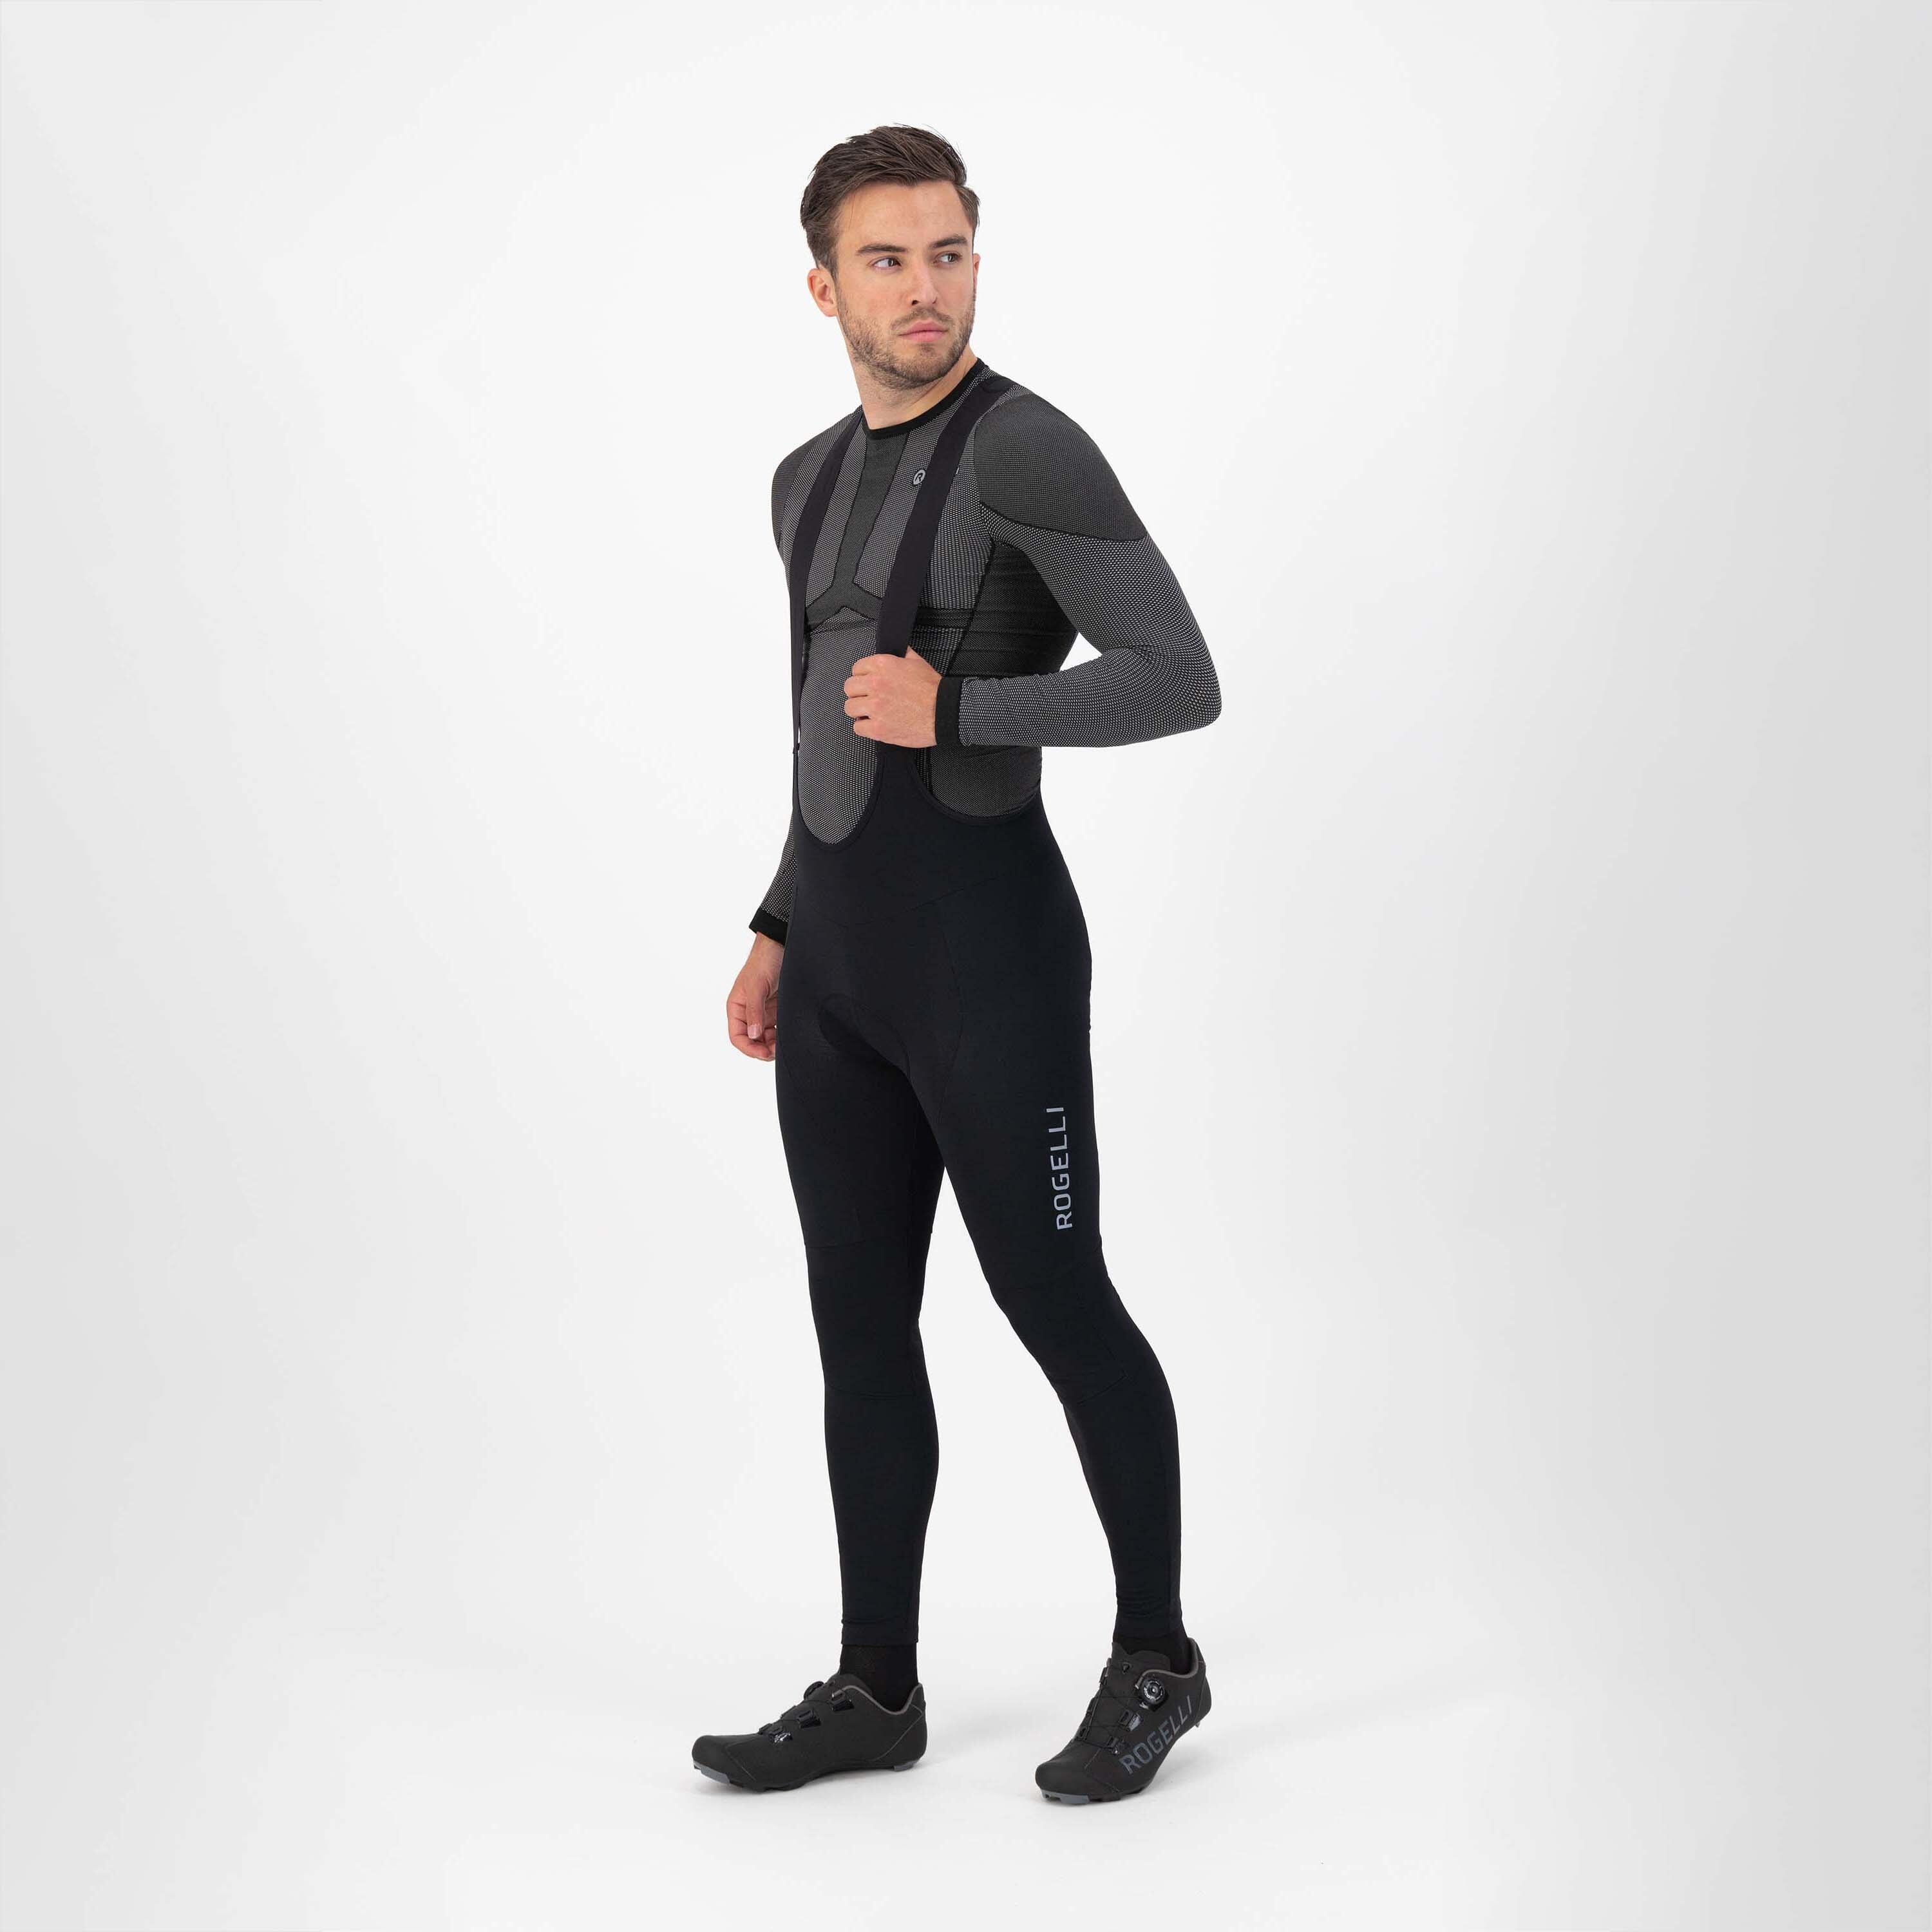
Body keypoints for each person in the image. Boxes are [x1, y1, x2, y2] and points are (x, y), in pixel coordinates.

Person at [697, 125, 1221, 1804]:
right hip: (842, 977)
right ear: (824, 288)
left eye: (948, 254)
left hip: (989, 962)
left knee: (1056, 1300)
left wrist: (966, 707)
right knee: (858, 1325)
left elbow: (1178, 673)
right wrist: (782, 921)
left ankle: (1160, 1661)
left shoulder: (1029, 451)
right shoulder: (802, 478)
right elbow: (818, 722)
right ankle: (877, 1690)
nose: (925, 290)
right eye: (887, 261)